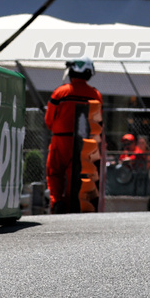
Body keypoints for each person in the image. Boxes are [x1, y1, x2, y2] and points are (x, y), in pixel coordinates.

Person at [45, 58, 105, 214]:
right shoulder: (96, 95)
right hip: (84, 144)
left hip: (60, 139)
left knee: (55, 172)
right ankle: (74, 207)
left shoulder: (60, 93)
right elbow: (98, 122)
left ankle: (57, 201)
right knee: (77, 178)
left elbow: (48, 120)